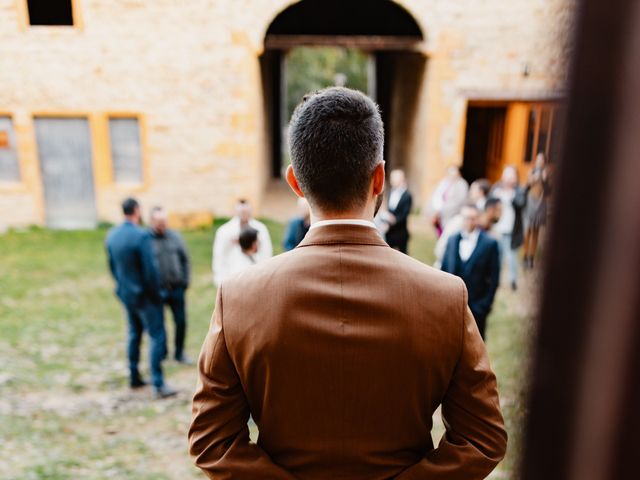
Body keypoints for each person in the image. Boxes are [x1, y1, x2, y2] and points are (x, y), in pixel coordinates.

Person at [189, 87, 506, 478]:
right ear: (379, 179)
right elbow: (482, 438)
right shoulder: (445, 296)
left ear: (295, 183)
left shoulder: (239, 297)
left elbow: (211, 440)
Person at [105, 198, 176, 398]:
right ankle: (158, 383)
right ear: (136, 211)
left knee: (134, 334)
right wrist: (158, 295)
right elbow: (150, 271)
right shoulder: (141, 236)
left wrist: (121, 288)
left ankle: (134, 376)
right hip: (146, 297)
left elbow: (112, 267)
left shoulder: (112, 235)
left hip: (127, 295)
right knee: (156, 336)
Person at [441, 203, 501, 338]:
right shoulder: (452, 240)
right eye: (466, 218)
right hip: (451, 307)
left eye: (472, 218)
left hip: (477, 308)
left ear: (478, 219)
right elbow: (443, 270)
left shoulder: (490, 244)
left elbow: (494, 278)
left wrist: (484, 306)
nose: (469, 221)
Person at [149, 206, 192, 365]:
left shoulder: (175, 237)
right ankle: (162, 353)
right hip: (157, 291)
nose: (162, 225)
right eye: (159, 222)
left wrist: (185, 281)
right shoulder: (146, 240)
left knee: (180, 321)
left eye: (165, 221)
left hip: (177, 288)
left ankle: (179, 353)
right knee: (159, 325)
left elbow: (185, 260)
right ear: (151, 221)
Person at [211, 199, 272, 286]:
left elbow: (267, 252)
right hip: (232, 277)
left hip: (256, 277)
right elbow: (219, 255)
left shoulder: (260, 229)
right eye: (242, 212)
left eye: (246, 212)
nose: (244, 215)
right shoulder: (224, 231)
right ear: (236, 212)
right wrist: (220, 279)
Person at [434, 194, 503, 268]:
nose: (502, 213)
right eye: (499, 210)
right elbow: (441, 248)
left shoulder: (494, 235)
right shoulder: (459, 222)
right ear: (490, 210)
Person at [491, 166, 527, 291]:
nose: (508, 179)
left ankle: (513, 281)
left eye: (511, 176)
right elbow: (489, 202)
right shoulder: (496, 187)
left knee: (512, 256)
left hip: (512, 230)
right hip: (497, 229)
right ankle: (496, 280)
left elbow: (521, 203)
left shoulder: (519, 191)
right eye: (506, 175)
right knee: (498, 255)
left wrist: (511, 196)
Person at [522, 153, 550, 269]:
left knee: (536, 231)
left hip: (541, 202)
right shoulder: (531, 171)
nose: (540, 161)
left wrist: (544, 180)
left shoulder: (547, 173)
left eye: (542, 159)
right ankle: (525, 255)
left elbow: (549, 191)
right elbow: (526, 187)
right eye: (538, 159)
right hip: (531, 201)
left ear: (544, 161)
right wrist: (532, 179)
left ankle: (531, 258)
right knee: (528, 230)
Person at [426, 165, 469, 236]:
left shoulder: (462, 184)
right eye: (449, 173)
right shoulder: (442, 183)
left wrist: (441, 212)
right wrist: (434, 212)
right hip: (438, 217)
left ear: (459, 173)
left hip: (450, 216)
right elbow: (434, 197)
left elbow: (458, 202)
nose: (451, 175)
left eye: (454, 173)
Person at [382, 168, 413, 253]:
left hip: (400, 232)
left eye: (394, 178)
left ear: (401, 179)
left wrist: (394, 220)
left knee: (403, 255)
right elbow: (389, 209)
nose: (392, 180)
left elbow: (405, 214)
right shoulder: (390, 192)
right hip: (389, 231)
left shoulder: (407, 195)